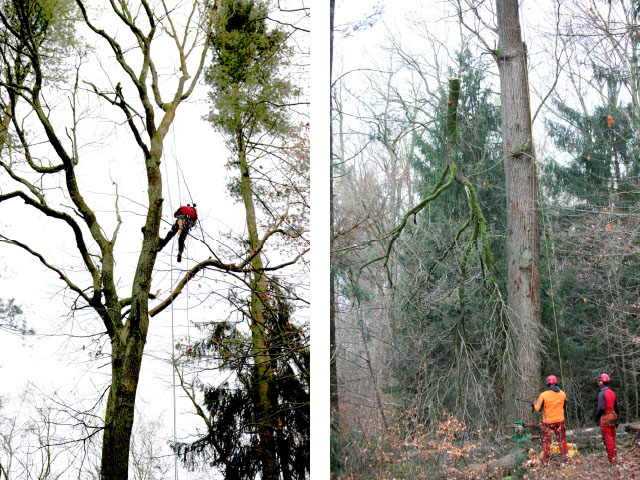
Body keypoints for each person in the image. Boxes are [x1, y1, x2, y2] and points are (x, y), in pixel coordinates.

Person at [532, 375, 569, 465]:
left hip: (548, 423)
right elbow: (565, 405)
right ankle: (566, 459)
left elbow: (537, 409)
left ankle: (545, 462)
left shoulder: (543, 395)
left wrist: (534, 404)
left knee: (547, 442)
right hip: (560, 421)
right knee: (562, 440)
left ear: (548, 383)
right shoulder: (563, 393)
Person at [594, 372, 619, 464]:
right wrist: (617, 419)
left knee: (608, 440)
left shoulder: (601, 393)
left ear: (602, 382)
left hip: (605, 418)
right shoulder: (612, 392)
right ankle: (614, 459)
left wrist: (597, 416)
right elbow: (616, 408)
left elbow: (602, 408)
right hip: (613, 416)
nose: (598, 382)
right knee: (613, 439)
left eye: (599, 381)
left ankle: (612, 461)